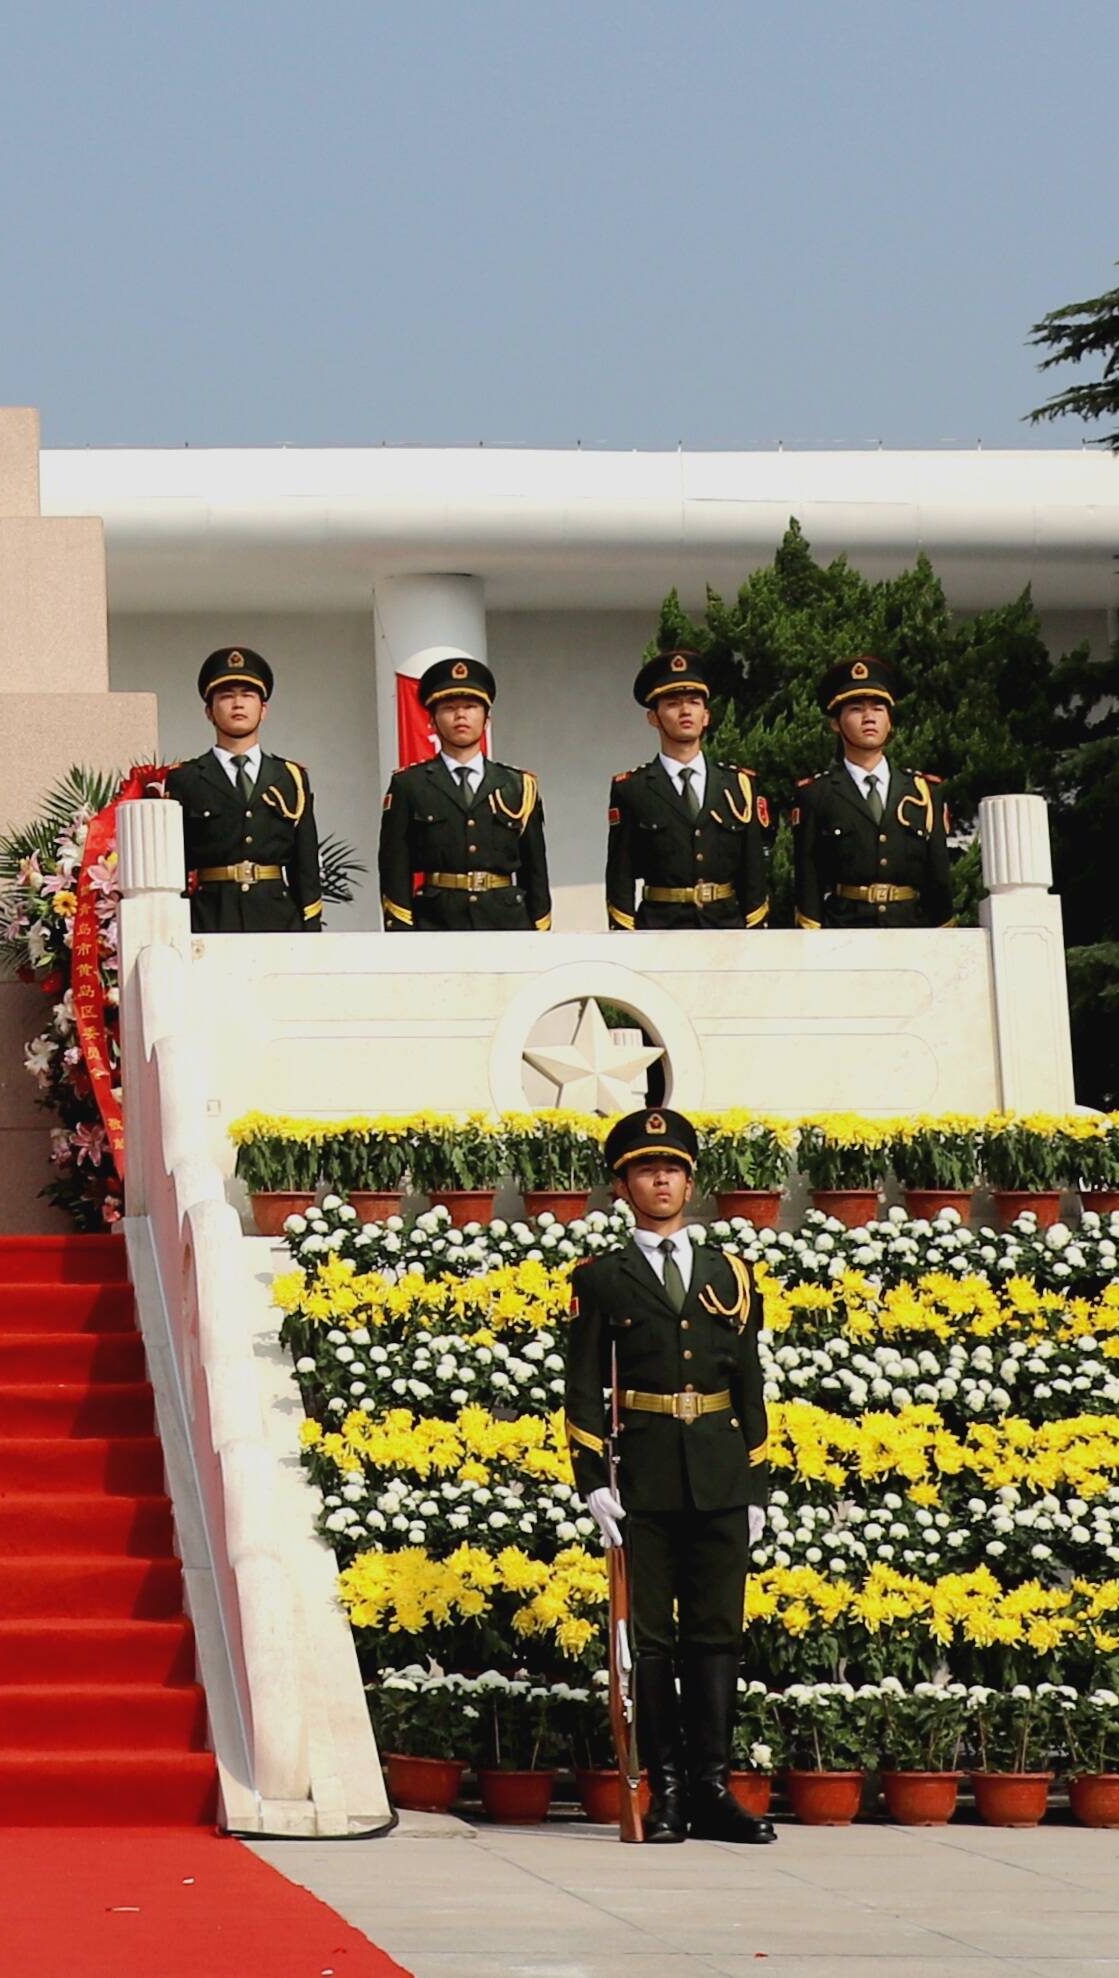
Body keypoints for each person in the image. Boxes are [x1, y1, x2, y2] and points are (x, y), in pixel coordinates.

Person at [558, 1076, 776, 1843]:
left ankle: (713, 1788)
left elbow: (749, 1383)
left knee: (716, 1634)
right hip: (644, 1480)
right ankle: (670, 1791)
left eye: (673, 1169)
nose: (662, 1181)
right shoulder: (601, 1278)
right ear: (622, 1187)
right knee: (650, 1640)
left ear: (691, 1181)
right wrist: (593, 1481)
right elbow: (582, 1387)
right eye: (646, 1170)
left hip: (719, 1472)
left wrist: (757, 1483)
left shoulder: (730, 1274)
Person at [598, 648, 782, 929]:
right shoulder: (633, 789)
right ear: (653, 717)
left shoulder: (738, 785)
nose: (685, 711)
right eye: (673, 704)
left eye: (694, 703)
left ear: (706, 715)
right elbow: (619, 875)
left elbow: (753, 871)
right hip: (659, 928)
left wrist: (754, 930)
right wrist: (626, 936)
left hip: (725, 928)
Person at [374, 655, 552, 931]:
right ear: (432, 721)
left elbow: (535, 870)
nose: (460, 716)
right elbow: (394, 867)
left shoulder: (518, 785)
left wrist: (540, 931)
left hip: (506, 923)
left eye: (470, 707)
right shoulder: (409, 785)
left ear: (487, 719)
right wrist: (401, 931)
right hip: (436, 922)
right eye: (449, 708)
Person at [786, 658, 962, 927]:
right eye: (856, 709)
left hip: (910, 930)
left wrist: (944, 934)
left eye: (878, 709)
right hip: (843, 930)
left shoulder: (923, 791)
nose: (869, 718)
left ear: (889, 721)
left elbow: (939, 878)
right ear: (836, 723)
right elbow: (807, 879)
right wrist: (812, 937)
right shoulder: (817, 794)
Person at [163, 647, 326, 935]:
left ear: (263, 710)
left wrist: (311, 929)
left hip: (278, 919)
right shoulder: (185, 779)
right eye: (226, 696)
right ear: (209, 712)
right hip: (210, 918)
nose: (238, 704)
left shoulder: (290, 777)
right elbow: (174, 865)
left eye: (248, 695)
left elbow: (305, 867)